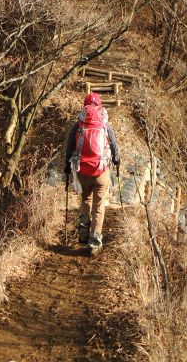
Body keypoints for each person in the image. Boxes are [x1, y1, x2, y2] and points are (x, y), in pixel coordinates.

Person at [64, 92, 121, 254]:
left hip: (83, 170)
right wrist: (116, 161)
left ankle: (83, 233)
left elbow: (69, 148)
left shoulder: (78, 125)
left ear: (85, 106)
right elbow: (115, 146)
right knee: (99, 205)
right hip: (101, 171)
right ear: (100, 106)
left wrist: (67, 167)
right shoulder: (105, 124)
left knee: (85, 200)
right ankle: (94, 242)